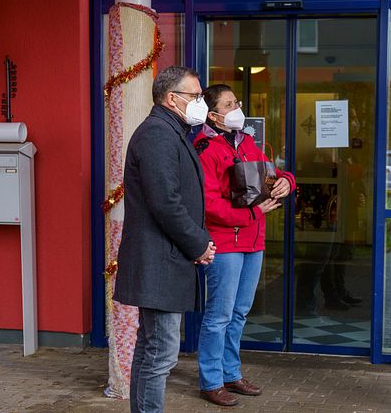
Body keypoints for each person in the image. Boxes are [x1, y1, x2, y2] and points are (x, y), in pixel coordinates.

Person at [113, 65, 217, 413]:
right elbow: (165, 202)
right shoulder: (158, 134)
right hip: (159, 262)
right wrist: (199, 244)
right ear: (172, 99)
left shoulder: (169, 131)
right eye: (196, 96)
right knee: (160, 356)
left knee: (150, 350)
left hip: (163, 261)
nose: (201, 102)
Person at [193, 84, 296, 406]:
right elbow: (207, 203)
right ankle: (211, 381)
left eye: (237, 101)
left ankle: (230, 373)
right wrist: (251, 212)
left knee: (238, 313)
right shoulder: (204, 147)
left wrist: (286, 181)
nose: (237, 107)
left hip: (253, 240)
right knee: (219, 316)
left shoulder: (246, 141)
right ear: (213, 115)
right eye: (229, 104)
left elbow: (272, 172)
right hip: (225, 242)